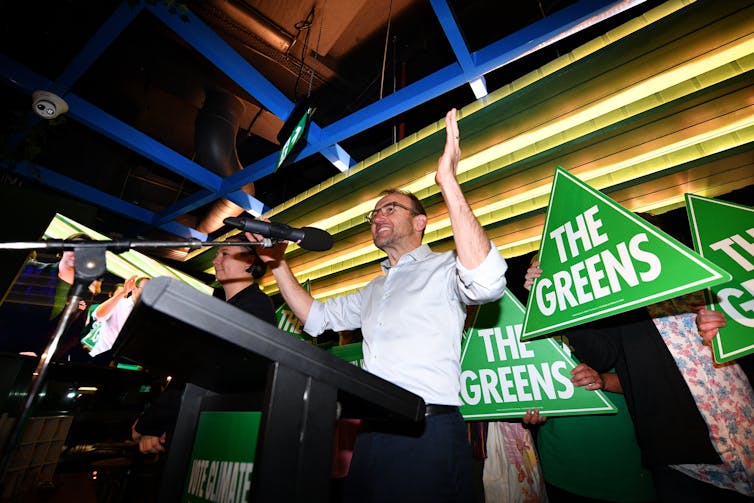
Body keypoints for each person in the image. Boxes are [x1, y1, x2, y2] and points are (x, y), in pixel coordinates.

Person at [252, 108, 508, 502]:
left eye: (391, 209)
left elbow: (488, 282)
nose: (378, 218)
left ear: (420, 222)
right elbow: (316, 318)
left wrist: (448, 182)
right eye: (374, 214)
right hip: (370, 433)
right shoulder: (373, 289)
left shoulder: (445, 268)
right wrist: (277, 263)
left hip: (428, 430)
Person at [525, 257, 754, 502]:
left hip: (736, 436)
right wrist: (558, 299)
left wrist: (723, 327)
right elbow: (599, 356)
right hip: (675, 463)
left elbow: (741, 324)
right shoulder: (613, 311)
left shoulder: (697, 285)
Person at [521, 255, 656, 503]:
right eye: (536, 270)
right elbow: (526, 387)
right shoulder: (526, 330)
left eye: (549, 269)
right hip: (560, 465)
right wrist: (530, 411)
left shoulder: (615, 311)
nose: (542, 275)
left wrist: (603, 380)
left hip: (622, 461)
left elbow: (652, 379)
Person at [131, 236, 275, 454]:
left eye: (224, 253)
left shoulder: (255, 305)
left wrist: (150, 422)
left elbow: (207, 371)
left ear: (249, 262)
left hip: (222, 429)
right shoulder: (225, 308)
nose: (215, 260)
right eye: (216, 254)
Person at [0, 232, 107, 360]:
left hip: (33, 359)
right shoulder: (32, 269)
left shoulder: (85, 293)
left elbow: (72, 335)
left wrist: (43, 356)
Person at [88, 275, 150, 357]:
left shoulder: (146, 314)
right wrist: (123, 292)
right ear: (134, 288)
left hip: (122, 361)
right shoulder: (119, 303)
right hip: (99, 356)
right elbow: (98, 315)